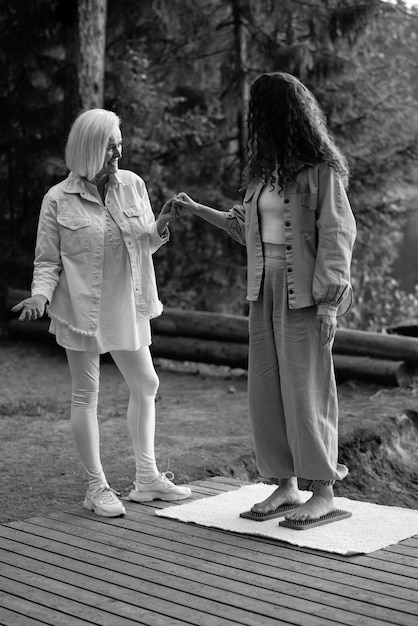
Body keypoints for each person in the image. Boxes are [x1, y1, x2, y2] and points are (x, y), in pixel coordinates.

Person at [173, 72, 356, 524]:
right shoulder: (262, 174)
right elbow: (245, 230)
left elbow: (338, 233)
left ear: (279, 113)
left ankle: (324, 490)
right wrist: (198, 211)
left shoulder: (320, 171)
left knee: (307, 391)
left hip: (306, 297)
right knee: (268, 393)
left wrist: (331, 304)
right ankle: (286, 485)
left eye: (257, 109)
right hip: (263, 292)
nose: (252, 118)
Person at [12, 108, 191, 517]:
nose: (118, 151)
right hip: (79, 309)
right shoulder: (57, 199)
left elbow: (144, 241)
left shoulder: (133, 185)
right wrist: (40, 296)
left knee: (146, 383)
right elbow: (47, 262)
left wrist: (160, 225)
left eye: (120, 143)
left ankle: (146, 478)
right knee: (85, 395)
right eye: (110, 145)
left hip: (127, 304)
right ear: (90, 148)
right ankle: (97, 487)